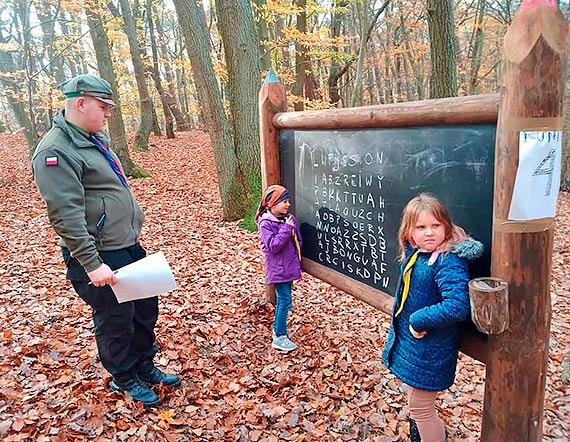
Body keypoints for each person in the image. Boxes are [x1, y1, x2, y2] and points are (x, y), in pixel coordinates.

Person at [32, 74, 180, 408]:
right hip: (99, 254)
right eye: (103, 107)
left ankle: (143, 365)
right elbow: (65, 215)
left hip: (125, 244)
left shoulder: (94, 138)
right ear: (81, 103)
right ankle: (124, 377)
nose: (108, 113)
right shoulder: (55, 151)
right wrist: (92, 265)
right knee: (116, 319)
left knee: (145, 309)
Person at [382, 193, 483, 442]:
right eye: (421, 227)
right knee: (416, 401)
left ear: (446, 227)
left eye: (436, 226)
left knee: (421, 408)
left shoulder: (447, 261)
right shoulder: (419, 253)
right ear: (409, 232)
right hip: (418, 348)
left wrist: (418, 319)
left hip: (432, 349)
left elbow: (457, 305)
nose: (429, 233)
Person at [256, 185, 302, 352]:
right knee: (285, 301)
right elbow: (274, 246)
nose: (288, 205)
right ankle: (279, 336)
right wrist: (287, 228)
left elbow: (297, 240)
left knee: (285, 299)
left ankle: (279, 331)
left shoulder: (287, 219)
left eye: (288, 201)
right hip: (278, 269)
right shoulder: (266, 224)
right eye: (284, 202)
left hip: (288, 267)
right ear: (272, 204)